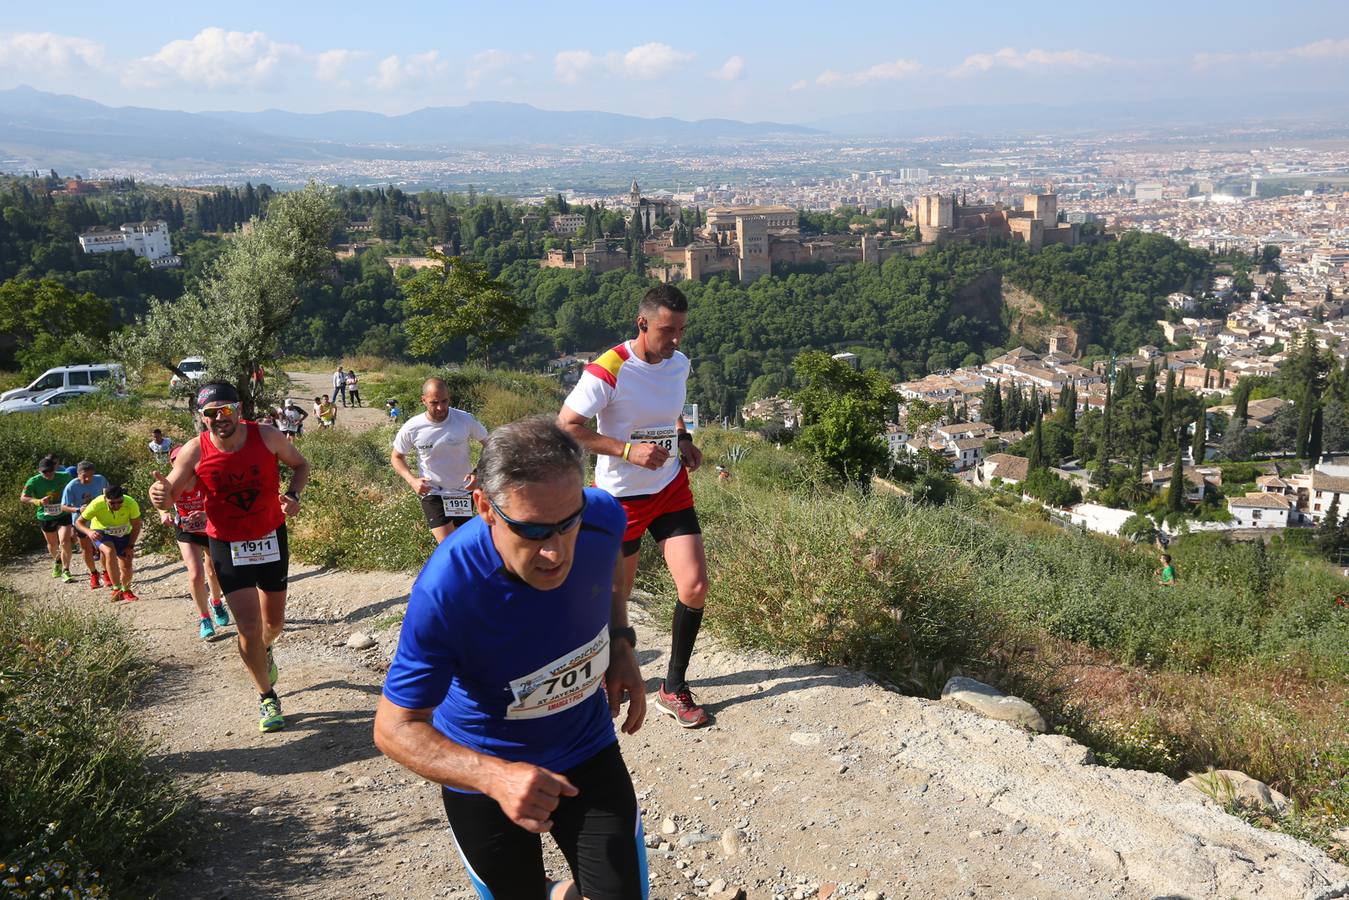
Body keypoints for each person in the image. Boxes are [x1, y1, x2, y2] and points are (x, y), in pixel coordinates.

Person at [374, 418, 648, 899]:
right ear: (485, 508)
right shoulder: (448, 589)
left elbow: (609, 579)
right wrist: (494, 775)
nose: (555, 552)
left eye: (568, 524)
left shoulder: (601, 515)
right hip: (486, 770)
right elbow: (393, 727)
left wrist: (622, 642)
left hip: (586, 750)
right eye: (531, 530)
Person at [558, 284, 711, 728]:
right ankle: (596, 680)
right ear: (642, 324)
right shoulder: (608, 369)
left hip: (669, 488)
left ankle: (673, 687)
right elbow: (567, 426)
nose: (677, 340)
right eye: (668, 330)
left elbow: (671, 410)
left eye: (682, 330)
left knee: (695, 586)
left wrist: (682, 438)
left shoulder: (677, 363)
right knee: (615, 599)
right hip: (619, 500)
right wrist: (627, 451)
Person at [150, 382, 309, 734]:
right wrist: (158, 495)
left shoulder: (267, 436)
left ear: (238, 409)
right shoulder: (195, 450)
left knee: (273, 626)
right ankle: (266, 695)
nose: (219, 419)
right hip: (226, 544)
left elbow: (300, 465)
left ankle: (263, 651)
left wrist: (293, 495)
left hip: (270, 536)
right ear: (201, 418)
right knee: (248, 627)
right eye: (210, 414)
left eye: (225, 411)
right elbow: (170, 491)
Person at [391, 377, 489, 544]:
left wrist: (478, 473)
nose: (441, 407)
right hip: (433, 493)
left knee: (460, 544)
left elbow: (491, 445)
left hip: (462, 491)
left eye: (445, 401)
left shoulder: (464, 419)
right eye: (434, 402)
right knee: (447, 545)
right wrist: (412, 481)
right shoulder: (412, 427)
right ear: (423, 400)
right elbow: (396, 457)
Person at [159, 445, 230, 640]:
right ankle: (204, 618)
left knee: (213, 571)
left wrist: (206, 514)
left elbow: (222, 503)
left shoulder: (204, 479)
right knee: (195, 574)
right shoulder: (169, 483)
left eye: (182, 458)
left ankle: (216, 603)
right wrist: (164, 513)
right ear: (171, 462)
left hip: (209, 528)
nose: (179, 462)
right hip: (186, 530)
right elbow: (160, 501)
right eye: (174, 460)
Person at [74, 484, 143, 602]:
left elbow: (136, 526)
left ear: (123, 498)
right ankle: (116, 588)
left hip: (123, 533)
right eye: (112, 503)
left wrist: (130, 546)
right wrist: (89, 532)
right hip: (101, 531)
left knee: (127, 563)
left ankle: (126, 590)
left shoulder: (130, 503)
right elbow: (78, 522)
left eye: (119, 502)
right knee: (110, 551)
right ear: (105, 499)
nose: (116, 505)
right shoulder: (96, 504)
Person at [21, 455, 75, 583]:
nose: (48, 474)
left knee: (65, 541)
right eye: (44, 472)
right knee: (52, 544)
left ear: (55, 468)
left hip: (63, 513)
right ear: (39, 471)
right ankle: (57, 561)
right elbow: (23, 497)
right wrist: (37, 501)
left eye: (50, 471)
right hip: (45, 515)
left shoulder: (64, 476)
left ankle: (66, 570)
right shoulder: (33, 481)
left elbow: (75, 487)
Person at [61, 460, 110, 589]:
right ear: (78, 474)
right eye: (84, 476)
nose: (88, 479)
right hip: (81, 521)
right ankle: (93, 573)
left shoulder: (100, 479)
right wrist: (78, 509)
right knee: (86, 549)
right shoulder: (71, 486)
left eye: (91, 475)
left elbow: (107, 494)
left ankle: (106, 572)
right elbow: (63, 507)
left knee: (102, 547)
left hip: (98, 519)